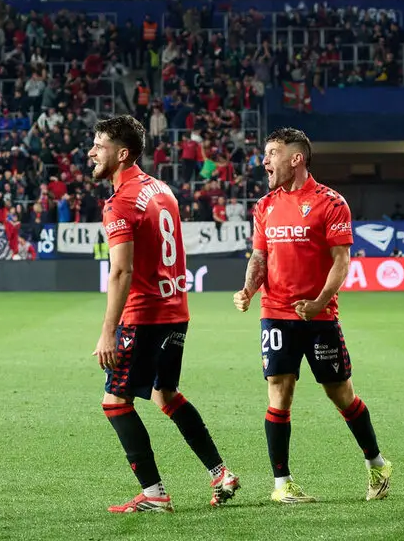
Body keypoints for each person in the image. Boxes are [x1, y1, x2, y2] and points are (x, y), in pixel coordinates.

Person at [88, 115, 240, 513]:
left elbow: (121, 270)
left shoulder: (119, 201)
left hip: (145, 315)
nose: (91, 151)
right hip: (175, 310)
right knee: (165, 393)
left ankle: (154, 494)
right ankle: (220, 472)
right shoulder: (161, 189)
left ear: (122, 154)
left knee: (115, 402)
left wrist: (108, 331)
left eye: (99, 145)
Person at [234, 127, 392, 504]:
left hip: (319, 317)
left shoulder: (330, 203)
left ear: (296, 158)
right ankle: (282, 484)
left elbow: (342, 260)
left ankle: (377, 464)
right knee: (279, 393)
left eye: (272, 153)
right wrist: (248, 290)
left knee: (340, 394)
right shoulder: (265, 205)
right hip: (275, 314)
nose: (265, 160)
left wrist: (322, 300)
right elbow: (260, 256)